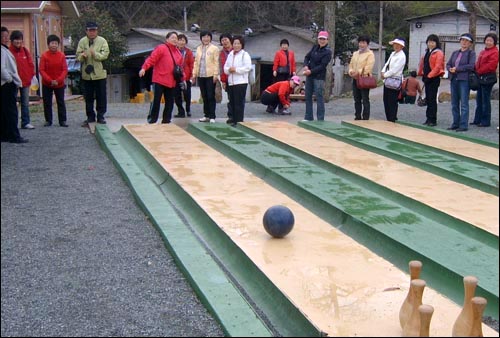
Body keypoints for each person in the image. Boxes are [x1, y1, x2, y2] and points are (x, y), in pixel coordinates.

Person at [139, 31, 184, 124]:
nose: (175, 40)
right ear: (167, 39)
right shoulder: (161, 48)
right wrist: (144, 68)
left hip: (172, 81)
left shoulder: (179, 53)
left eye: (176, 38)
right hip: (159, 79)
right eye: (172, 38)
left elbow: (180, 69)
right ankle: (152, 119)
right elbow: (152, 59)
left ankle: (166, 120)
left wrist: (183, 79)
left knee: (170, 102)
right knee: (156, 100)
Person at [77, 22, 110, 126]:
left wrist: (94, 54)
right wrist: (82, 56)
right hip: (87, 74)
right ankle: (90, 117)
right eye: (90, 30)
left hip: (99, 73)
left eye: (94, 30)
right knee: (88, 97)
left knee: (101, 96)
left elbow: (105, 55)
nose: (92, 32)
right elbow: (78, 55)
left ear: (97, 31)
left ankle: (101, 116)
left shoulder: (102, 41)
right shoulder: (82, 41)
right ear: (86, 31)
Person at [1, 26, 28, 143]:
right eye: (4, 37)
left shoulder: (5, 49)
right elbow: (1, 68)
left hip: (9, 83)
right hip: (6, 84)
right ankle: (13, 135)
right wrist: (9, 79)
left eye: (7, 36)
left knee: (5, 111)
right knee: (11, 110)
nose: (6, 39)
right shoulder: (2, 51)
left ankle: (5, 134)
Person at [446, 33, 476, 132]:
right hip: (454, 79)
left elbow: (471, 66)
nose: (464, 42)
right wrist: (450, 69)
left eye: (467, 41)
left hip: (464, 80)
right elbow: (448, 63)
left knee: (464, 103)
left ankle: (463, 125)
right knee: (454, 103)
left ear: (470, 43)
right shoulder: (455, 53)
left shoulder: (471, 53)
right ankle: (455, 123)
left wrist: (458, 69)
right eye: (462, 40)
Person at [302, 31, 333, 121]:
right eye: (320, 39)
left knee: (319, 97)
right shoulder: (315, 47)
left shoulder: (328, 52)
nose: (322, 41)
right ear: (318, 39)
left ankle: (320, 119)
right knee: (308, 96)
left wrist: (310, 71)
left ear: (327, 40)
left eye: (324, 39)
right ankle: (308, 117)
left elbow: (322, 66)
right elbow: (307, 57)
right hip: (309, 75)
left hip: (319, 77)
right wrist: (305, 65)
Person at [39, 34, 68, 127]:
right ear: (48, 44)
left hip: (59, 83)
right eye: (52, 43)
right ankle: (48, 120)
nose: (54, 45)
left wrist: (58, 80)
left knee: (61, 102)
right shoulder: (44, 55)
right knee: (47, 102)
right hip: (47, 83)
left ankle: (62, 120)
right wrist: (50, 80)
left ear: (58, 44)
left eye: (56, 43)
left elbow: (65, 70)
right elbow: (41, 70)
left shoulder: (61, 55)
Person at [8, 30, 35, 129]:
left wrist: (31, 75)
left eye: (20, 40)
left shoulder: (25, 51)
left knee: (25, 103)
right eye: (16, 40)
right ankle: (12, 123)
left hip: (25, 81)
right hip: (13, 81)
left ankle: (25, 122)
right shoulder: (9, 52)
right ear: (12, 41)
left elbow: (30, 64)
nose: (18, 42)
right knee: (12, 103)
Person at [472, 32, 499, 128]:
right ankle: (477, 119)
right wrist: (474, 69)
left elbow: (491, 66)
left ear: (494, 42)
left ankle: (485, 121)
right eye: (487, 40)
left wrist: (479, 71)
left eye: (491, 41)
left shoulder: (495, 52)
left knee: (485, 100)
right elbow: (478, 63)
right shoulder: (483, 51)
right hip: (480, 77)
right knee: (479, 99)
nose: (488, 42)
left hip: (487, 78)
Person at [223, 35, 251, 127]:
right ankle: (233, 120)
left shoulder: (244, 54)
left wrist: (236, 70)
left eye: (238, 43)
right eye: (234, 43)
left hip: (241, 82)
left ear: (242, 45)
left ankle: (239, 121)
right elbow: (225, 68)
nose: (236, 45)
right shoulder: (231, 54)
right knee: (232, 102)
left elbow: (247, 67)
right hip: (231, 82)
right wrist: (229, 70)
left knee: (239, 103)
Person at [192, 30, 219, 123]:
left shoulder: (214, 48)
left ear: (210, 38)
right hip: (201, 75)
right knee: (204, 96)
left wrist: (216, 74)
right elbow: (196, 62)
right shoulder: (198, 48)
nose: (206, 39)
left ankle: (212, 116)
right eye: (204, 37)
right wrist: (194, 74)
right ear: (201, 38)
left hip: (210, 75)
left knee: (210, 95)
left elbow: (216, 62)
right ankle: (206, 115)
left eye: (208, 37)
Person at [418, 34, 445, 127]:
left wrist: (429, 76)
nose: (431, 44)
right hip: (427, 77)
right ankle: (428, 118)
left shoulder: (438, 53)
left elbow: (438, 67)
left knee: (432, 99)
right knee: (428, 98)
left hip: (434, 78)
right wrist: (421, 73)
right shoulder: (427, 52)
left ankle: (433, 119)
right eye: (429, 42)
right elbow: (423, 64)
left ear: (436, 43)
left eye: (433, 42)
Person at [348, 35, 375, 120]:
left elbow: (368, 67)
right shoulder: (356, 53)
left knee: (365, 99)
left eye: (363, 42)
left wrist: (358, 72)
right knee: (356, 99)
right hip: (355, 79)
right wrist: (351, 71)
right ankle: (357, 116)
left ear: (367, 44)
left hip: (364, 79)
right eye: (360, 42)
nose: (361, 44)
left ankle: (366, 117)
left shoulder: (370, 54)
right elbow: (351, 64)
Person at [381, 37, 406, 122]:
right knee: (386, 100)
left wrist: (385, 74)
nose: (396, 46)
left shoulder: (402, 56)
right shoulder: (393, 54)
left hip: (394, 79)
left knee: (392, 101)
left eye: (398, 45)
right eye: (395, 44)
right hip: (388, 79)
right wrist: (383, 71)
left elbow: (395, 69)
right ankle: (388, 118)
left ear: (402, 46)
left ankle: (392, 118)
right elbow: (387, 64)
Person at [268, 39, 296, 113]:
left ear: (288, 45)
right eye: (283, 45)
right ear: (280, 46)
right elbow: (276, 62)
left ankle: (282, 107)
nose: (284, 46)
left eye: (285, 45)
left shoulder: (291, 53)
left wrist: (293, 71)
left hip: (288, 74)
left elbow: (293, 63)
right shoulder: (278, 53)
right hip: (280, 74)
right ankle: (271, 106)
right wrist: (274, 70)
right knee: (279, 91)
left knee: (286, 91)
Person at [174, 34, 194, 118]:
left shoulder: (188, 52)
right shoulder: (174, 51)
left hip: (186, 76)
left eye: (183, 40)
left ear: (186, 42)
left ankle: (188, 109)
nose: (181, 42)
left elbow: (191, 64)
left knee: (187, 94)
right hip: (176, 76)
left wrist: (192, 75)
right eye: (180, 40)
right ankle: (180, 111)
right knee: (177, 95)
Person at [218, 33, 234, 123]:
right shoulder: (221, 53)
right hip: (227, 79)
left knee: (238, 99)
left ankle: (238, 116)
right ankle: (231, 116)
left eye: (226, 39)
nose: (224, 42)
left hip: (237, 79)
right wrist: (223, 81)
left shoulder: (236, 50)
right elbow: (221, 68)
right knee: (230, 98)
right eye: (222, 40)